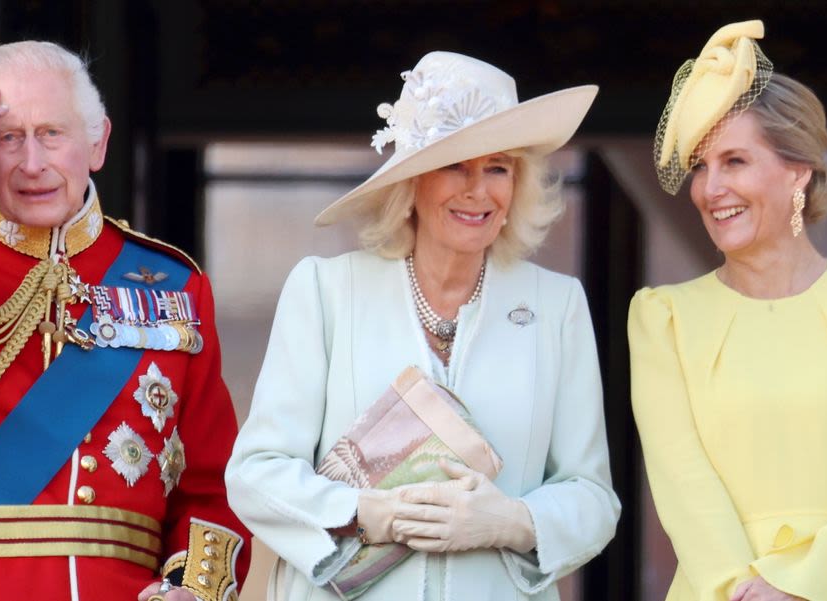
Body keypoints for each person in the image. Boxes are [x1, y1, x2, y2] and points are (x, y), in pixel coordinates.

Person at [0, 41, 248, 601]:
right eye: (8, 138)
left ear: (98, 142)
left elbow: (212, 483)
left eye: (52, 134)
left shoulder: (173, 284)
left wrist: (193, 591)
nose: (32, 163)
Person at [224, 51, 620, 601]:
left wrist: (510, 520)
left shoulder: (556, 305)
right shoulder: (325, 290)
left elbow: (593, 496)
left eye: (497, 167)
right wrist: (367, 513)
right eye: (455, 165)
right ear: (411, 182)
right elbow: (256, 475)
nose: (478, 191)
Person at [630, 20, 827, 601]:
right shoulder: (662, 318)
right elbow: (680, 480)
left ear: (797, 171)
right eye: (700, 165)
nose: (710, 187)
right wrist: (745, 589)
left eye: (735, 161)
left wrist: (804, 585)